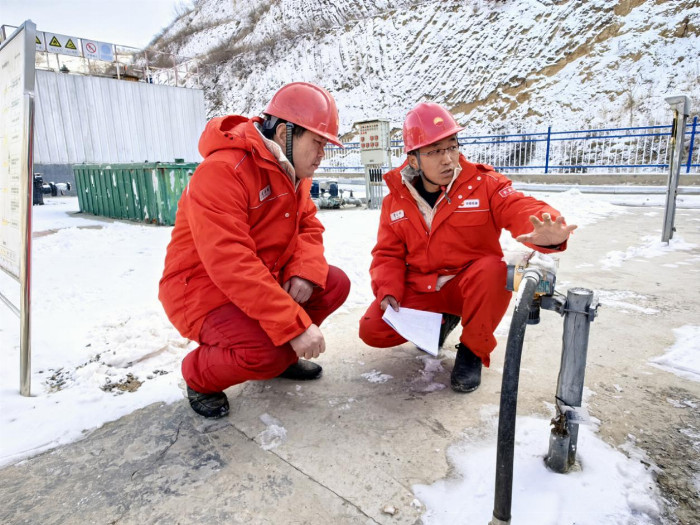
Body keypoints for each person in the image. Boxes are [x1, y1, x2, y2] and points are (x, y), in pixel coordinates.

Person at [159, 82, 351, 418]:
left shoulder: (294, 174)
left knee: (332, 283)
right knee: (264, 352)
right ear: (283, 134)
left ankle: (281, 356)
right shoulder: (223, 171)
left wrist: (302, 272)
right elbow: (230, 261)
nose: (323, 154)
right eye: (318, 143)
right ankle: (199, 376)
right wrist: (294, 326)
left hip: (257, 280)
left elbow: (308, 227)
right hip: (202, 291)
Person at [358, 102, 576, 393]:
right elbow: (388, 253)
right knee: (373, 329)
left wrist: (545, 232)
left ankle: (473, 349)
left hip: (470, 287)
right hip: (424, 287)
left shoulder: (484, 184)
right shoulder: (395, 201)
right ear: (413, 160)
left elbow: (518, 205)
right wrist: (387, 289)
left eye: (452, 146)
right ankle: (442, 321)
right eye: (435, 151)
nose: (448, 158)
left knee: (496, 269)